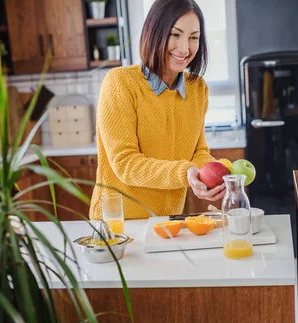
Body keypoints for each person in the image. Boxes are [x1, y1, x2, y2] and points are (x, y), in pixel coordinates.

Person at [89, 0, 224, 220]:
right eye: (175, 35)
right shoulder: (120, 82)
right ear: (155, 33)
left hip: (167, 221)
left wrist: (214, 178)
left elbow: (198, 152)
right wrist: (186, 173)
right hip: (119, 224)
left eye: (193, 37)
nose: (184, 48)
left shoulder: (197, 88)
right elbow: (125, 164)